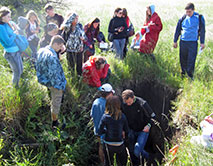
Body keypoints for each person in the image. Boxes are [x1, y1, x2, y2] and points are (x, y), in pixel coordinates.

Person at [36, 35, 67, 128]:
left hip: (45, 79)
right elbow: (54, 75)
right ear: (55, 44)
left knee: (52, 98)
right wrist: (59, 87)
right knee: (56, 102)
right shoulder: (52, 57)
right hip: (54, 84)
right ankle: (55, 123)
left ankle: (53, 114)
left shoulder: (41, 50)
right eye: (60, 46)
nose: (61, 49)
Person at [121, 89, 156, 166]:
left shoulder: (142, 103)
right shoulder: (124, 105)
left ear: (133, 97)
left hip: (143, 130)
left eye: (130, 102)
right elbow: (121, 117)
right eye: (126, 103)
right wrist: (123, 129)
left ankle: (150, 158)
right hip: (130, 130)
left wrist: (148, 125)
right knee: (131, 151)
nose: (128, 104)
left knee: (137, 150)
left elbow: (153, 116)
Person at [173, 2, 205, 80]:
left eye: (189, 12)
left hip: (193, 42)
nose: (188, 13)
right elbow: (178, 29)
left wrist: (202, 42)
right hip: (183, 42)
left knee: (191, 60)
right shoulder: (183, 18)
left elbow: (203, 30)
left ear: (193, 10)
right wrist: (175, 41)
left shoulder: (199, 17)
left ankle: (190, 77)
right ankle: (183, 75)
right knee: (182, 59)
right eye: (186, 11)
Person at [98, 95, 129, 166]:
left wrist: (107, 131)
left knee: (108, 162)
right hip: (119, 144)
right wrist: (125, 140)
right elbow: (127, 131)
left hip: (108, 144)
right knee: (121, 163)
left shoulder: (105, 117)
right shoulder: (122, 116)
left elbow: (99, 131)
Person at [91, 83, 115, 165]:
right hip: (107, 132)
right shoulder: (109, 104)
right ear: (109, 94)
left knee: (101, 147)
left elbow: (92, 115)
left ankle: (102, 163)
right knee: (109, 149)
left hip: (97, 131)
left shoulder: (95, 102)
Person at [0, 7, 23, 87]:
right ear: (2, 17)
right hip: (10, 53)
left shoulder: (9, 23)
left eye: (10, 16)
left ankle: (17, 86)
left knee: (20, 70)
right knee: (16, 72)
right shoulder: (1, 27)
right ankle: (15, 88)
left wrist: (16, 28)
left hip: (17, 50)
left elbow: (19, 30)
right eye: (8, 16)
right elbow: (8, 42)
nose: (10, 18)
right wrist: (14, 34)